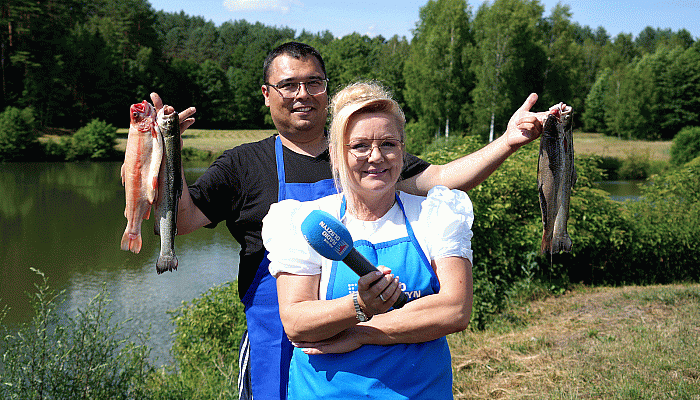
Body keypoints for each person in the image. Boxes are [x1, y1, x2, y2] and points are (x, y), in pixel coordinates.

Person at [150, 41, 547, 400]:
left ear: (327, 89)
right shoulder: (243, 164)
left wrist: (507, 141)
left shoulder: (369, 151)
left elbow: (443, 179)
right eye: (289, 85)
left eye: (314, 82)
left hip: (382, 340)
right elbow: (180, 221)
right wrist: (166, 148)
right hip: (279, 333)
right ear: (267, 95)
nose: (302, 94)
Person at [261, 80, 473, 399]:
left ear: (402, 149)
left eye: (388, 144)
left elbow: (455, 310)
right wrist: (360, 304)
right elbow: (297, 322)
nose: (376, 157)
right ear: (335, 154)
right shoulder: (307, 222)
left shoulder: (435, 214)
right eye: (359, 146)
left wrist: (361, 333)